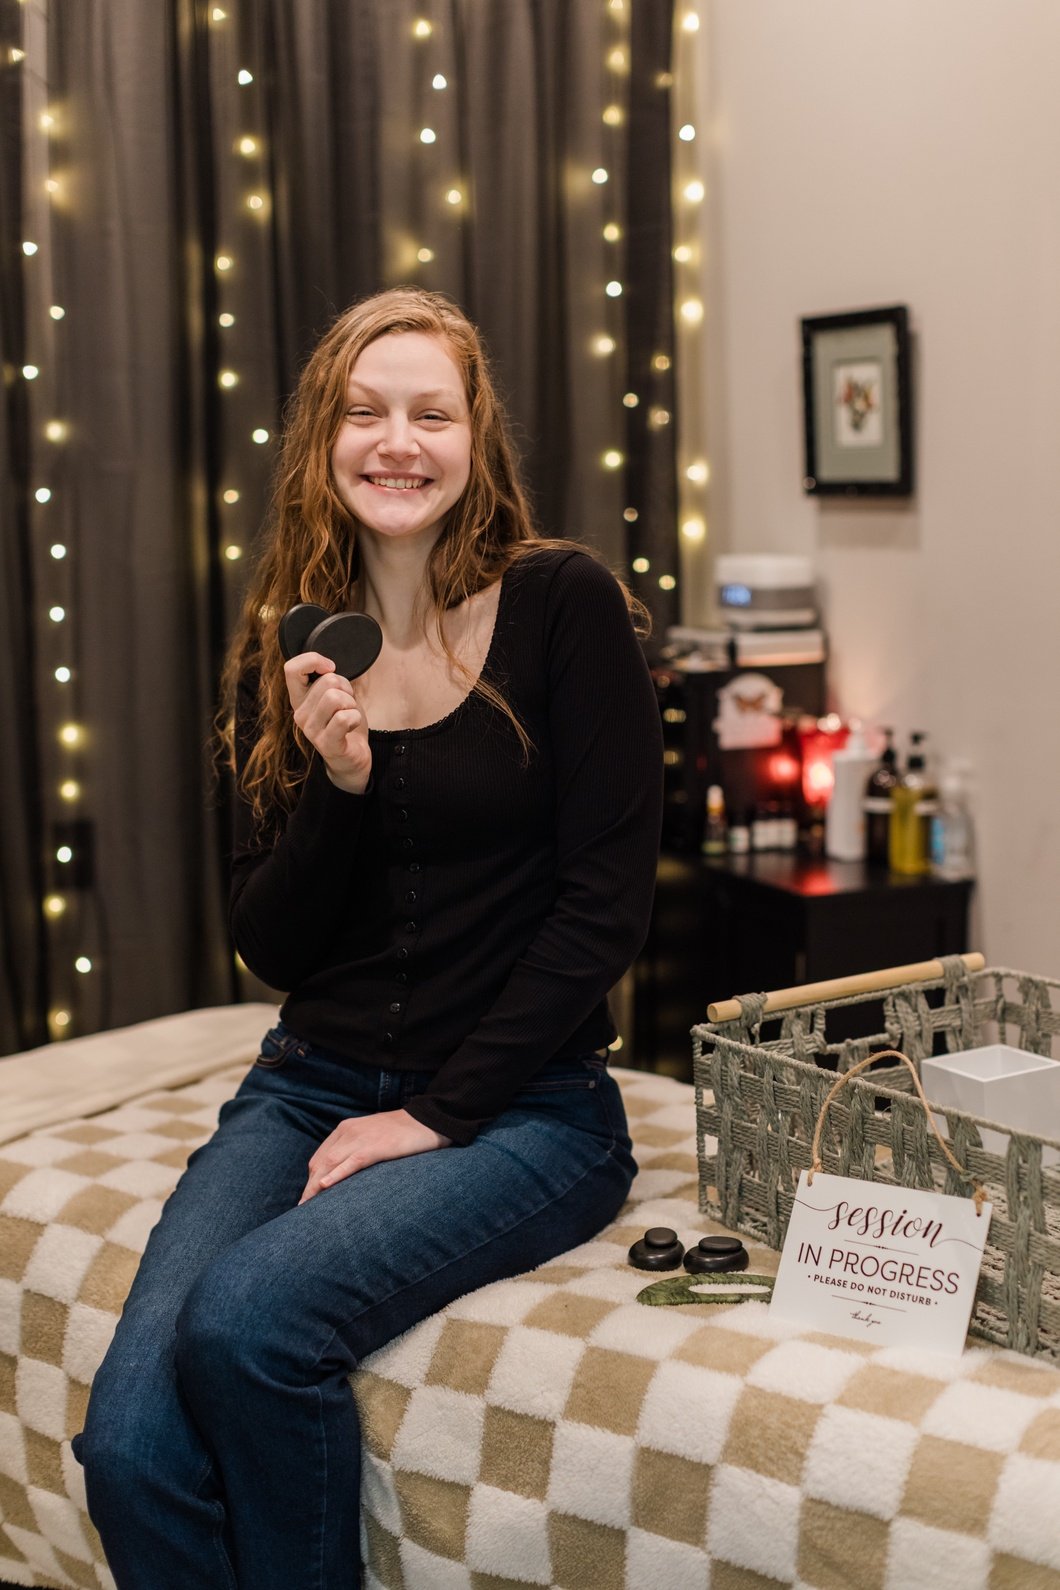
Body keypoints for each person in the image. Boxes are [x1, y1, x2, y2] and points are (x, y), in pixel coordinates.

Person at [75, 286, 664, 1588]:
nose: (397, 441)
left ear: (476, 437)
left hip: (531, 1109)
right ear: (322, 443)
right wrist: (336, 787)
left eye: (431, 412)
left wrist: (438, 1112)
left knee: (245, 1321)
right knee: (123, 1445)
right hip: (310, 1081)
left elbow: (605, 907)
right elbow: (267, 944)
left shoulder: (564, 605)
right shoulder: (285, 649)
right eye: (364, 412)